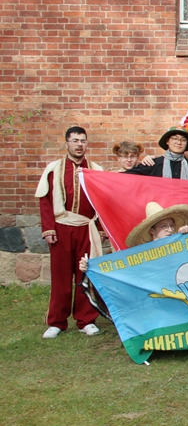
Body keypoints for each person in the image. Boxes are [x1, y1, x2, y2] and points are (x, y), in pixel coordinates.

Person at [36, 126, 104, 339]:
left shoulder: (96, 170)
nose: (79, 145)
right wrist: (48, 228)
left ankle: (86, 320)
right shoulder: (54, 169)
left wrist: (100, 229)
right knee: (61, 276)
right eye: (75, 141)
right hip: (61, 228)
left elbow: (103, 202)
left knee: (86, 274)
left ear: (86, 143)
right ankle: (57, 322)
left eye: (82, 141)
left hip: (86, 228)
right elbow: (45, 200)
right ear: (66, 143)